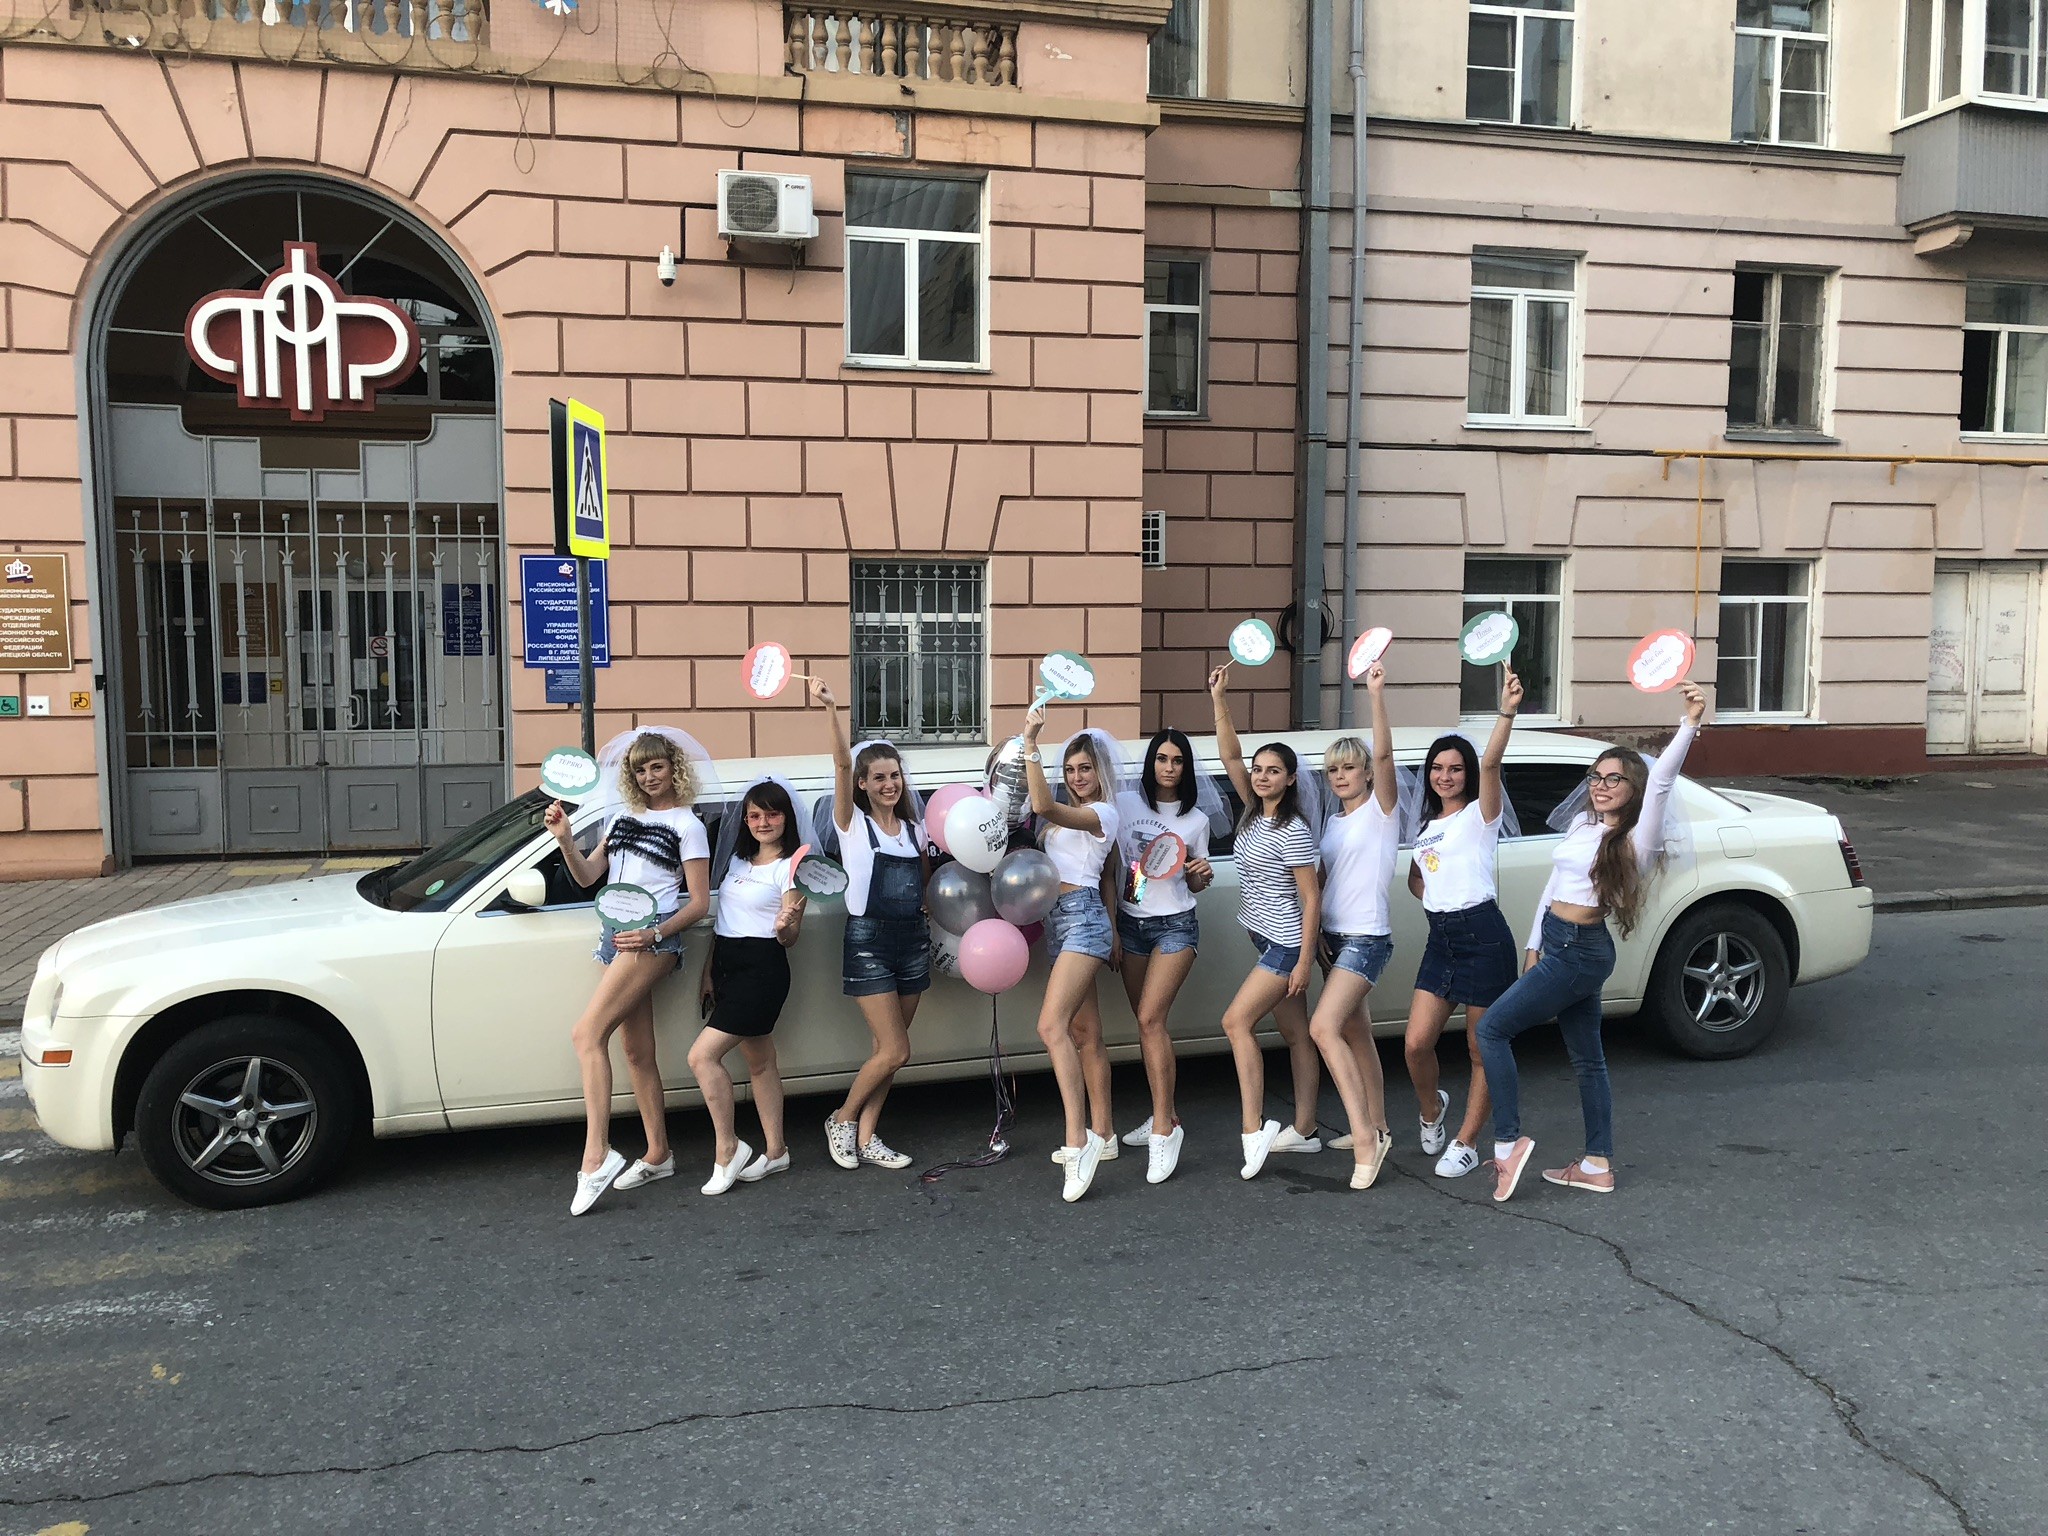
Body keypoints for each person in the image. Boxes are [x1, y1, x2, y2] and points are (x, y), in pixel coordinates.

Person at [1480, 680, 1710, 1202]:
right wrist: (1533, 944)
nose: (1601, 786)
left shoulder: (1637, 839)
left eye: (1614, 779)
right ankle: (1596, 1165)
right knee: (1588, 1060)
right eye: (1595, 777)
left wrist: (1690, 723)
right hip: (1561, 944)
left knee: (1492, 1030)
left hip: (1579, 951)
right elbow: (1553, 886)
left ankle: (1507, 1144)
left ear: (1633, 789)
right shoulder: (1585, 824)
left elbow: (1663, 780)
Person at [547, 729, 712, 1216]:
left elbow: (699, 903)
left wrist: (654, 934)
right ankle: (658, 1154)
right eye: (640, 769)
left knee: (586, 1034)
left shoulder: (688, 825)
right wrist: (565, 841)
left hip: (652, 939)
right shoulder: (621, 819)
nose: (649, 776)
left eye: (657, 766)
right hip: (615, 936)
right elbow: (587, 876)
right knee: (636, 1052)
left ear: (674, 768)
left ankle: (596, 1156)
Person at [1401, 667, 1524, 1181]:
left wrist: (1506, 712)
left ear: (1468, 774)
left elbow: (1492, 762)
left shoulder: (1480, 815)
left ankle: (1468, 1141)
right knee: (1415, 1043)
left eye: (1455, 768)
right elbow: (1417, 877)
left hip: (1483, 935)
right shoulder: (1428, 825)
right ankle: (1432, 1109)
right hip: (1443, 938)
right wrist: (1434, 896)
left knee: (1480, 1048)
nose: (1444, 776)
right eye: (1437, 768)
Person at [1210, 665, 1322, 1180]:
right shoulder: (1253, 812)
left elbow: (1310, 898)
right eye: (1258, 769)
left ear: (1291, 778)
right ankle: (1306, 1130)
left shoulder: (1293, 829)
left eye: (1273, 770)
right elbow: (1230, 756)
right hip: (1266, 939)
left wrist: (1303, 962)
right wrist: (1220, 699)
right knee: (1297, 1036)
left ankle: (1253, 1128)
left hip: (1285, 945)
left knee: (1236, 1023)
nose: (1260, 776)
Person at [812, 680, 925, 1172]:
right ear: (862, 784)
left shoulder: (916, 830)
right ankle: (841, 1118)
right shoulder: (852, 825)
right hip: (869, 942)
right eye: (878, 777)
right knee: (897, 1048)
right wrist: (831, 708)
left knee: (889, 1052)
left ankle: (867, 1134)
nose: (889, 784)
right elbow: (840, 763)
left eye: (894, 775)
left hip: (913, 942)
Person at [1022, 709, 1125, 1203]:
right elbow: (1108, 877)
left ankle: (1077, 1141)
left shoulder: (1103, 813)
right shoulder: (1072, 817)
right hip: (1059, 921)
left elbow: (1043, 804)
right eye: (1070, 770)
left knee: (1050, 1027)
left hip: (1082, 920)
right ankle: (1104, 1132)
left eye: (1085, 768)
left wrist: (1030, 742)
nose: (1077, 777)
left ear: (1100, 772)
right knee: (1086, 1033)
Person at [1108, 727, 1217, 1185]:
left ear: (1186, 768)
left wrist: (1201, 874)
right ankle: (1165, 1113)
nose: (1169, 767)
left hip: (1176, 925)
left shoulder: (1196, 819)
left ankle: (1163, 1132)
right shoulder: (1126, 804)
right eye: (1161, 758)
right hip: (1132, 924)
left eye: (1177, 760)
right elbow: (1128, 869)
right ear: (1150, 762)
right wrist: (1117, 924)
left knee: (1151, 1019)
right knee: (1146, 1024)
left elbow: (1193, 884)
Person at [692, 777, 809, 1196]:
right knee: (760, 1062)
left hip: (763, 968)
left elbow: (790, 938)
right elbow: (723, 922)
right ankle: (777, 1151)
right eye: (754, 815)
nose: (763, 823)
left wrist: (785, 925)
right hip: (727, 962)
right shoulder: (739, 861)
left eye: (772, 814)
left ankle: (728, 1149)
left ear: (786, 818)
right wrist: (708, 971)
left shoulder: (792, 866)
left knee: (701, 1057)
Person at [1311, 662, 1401, 1191]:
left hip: (1366, 938)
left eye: (1349, 767)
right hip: (1334, 939)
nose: (1341, 775)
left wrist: (1376, 694)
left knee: (1323, 1028)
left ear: (1367, 772)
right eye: (1333, 770)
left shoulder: (1381, 812)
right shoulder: (1333, 821)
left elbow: (1386, 754)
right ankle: (1380, 1124)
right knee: (1356, 1033)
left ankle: (1366, 1140)